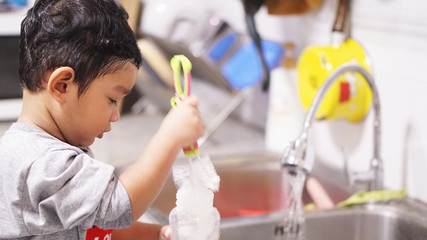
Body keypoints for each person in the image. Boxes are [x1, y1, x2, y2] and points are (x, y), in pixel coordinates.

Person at [0, 0, 204, 239]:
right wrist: (170, 137)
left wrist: (161, 233)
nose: (116, 115)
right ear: (62, 85)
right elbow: (119, 206)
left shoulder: (52, 151)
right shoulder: (42, 162)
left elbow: (95, 228)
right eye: (112, 99)